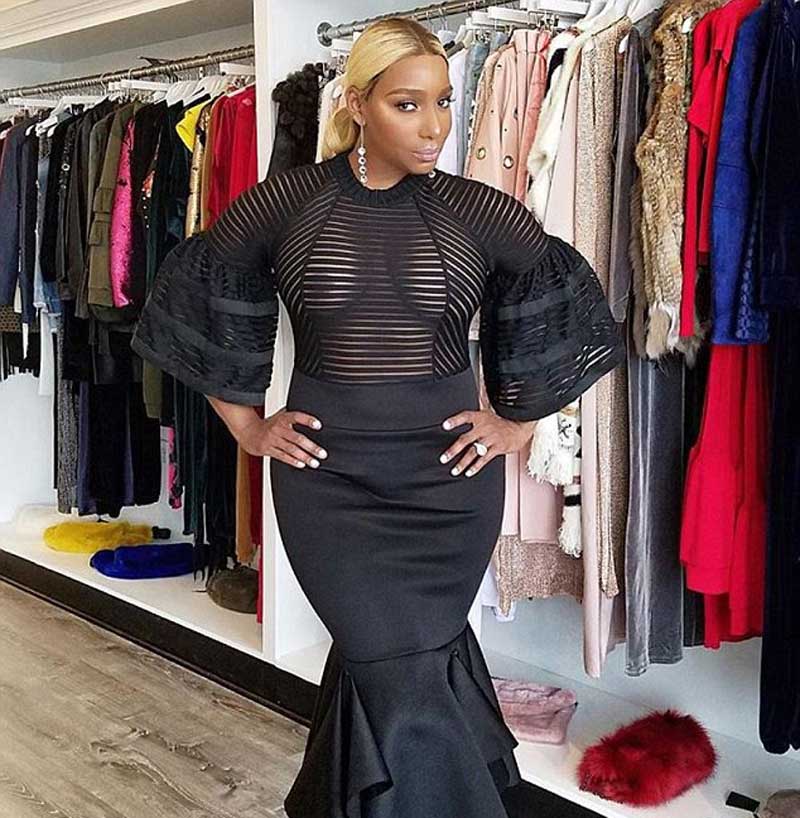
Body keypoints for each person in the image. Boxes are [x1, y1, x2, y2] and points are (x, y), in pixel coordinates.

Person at [131, 17, 624, 818]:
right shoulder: (290, 201)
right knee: (391, 667)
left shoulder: (476, 210)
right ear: (357, 105)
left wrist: (518, 422)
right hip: (329, 487)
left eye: (445, 102)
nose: (434, 127)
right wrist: (249, 427)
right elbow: (196, 290)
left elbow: (563, 301)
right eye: (407, 104)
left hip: (448, 488)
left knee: (403, 669)